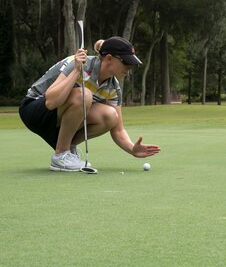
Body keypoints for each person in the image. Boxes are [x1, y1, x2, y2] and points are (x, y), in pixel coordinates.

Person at [19, 36, 160, 171]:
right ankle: (61, 155)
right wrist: (76, 70)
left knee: (110, 116)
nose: (129, 69)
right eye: (126, 63)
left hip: (56, 122)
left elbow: (118, 129)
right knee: (84, 94)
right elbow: (50, 102)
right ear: (110, 59)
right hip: (34, 110)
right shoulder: (78, 63)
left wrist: (132, 149)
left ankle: (68, 147)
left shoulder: (113, 87)